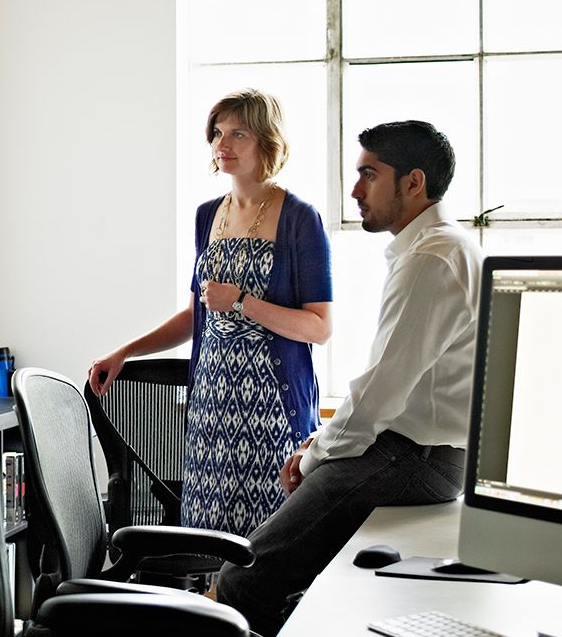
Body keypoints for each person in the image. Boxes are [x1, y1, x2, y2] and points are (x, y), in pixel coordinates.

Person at [217, 120, 484, 636]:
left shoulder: (430, 260)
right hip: (430, 456)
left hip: (412, 457)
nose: (356, 190)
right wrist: (322, 444)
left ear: (413, 182)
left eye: (369, 175)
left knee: (241, 581)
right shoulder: (447, 248)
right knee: (290, 578)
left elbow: (381, 391)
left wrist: (315, 455)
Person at [88, 88, 332, 538]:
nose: (223, 144)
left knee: (270, 546)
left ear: (266, 139)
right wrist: (127, 351)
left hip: (273, 411)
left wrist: (243, 302)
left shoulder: (300, 218)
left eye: (238, 133)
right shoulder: (207, 217)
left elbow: (318, 327)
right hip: (211, 409)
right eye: (217, 133)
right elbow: (195, 315)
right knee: (210, 539)